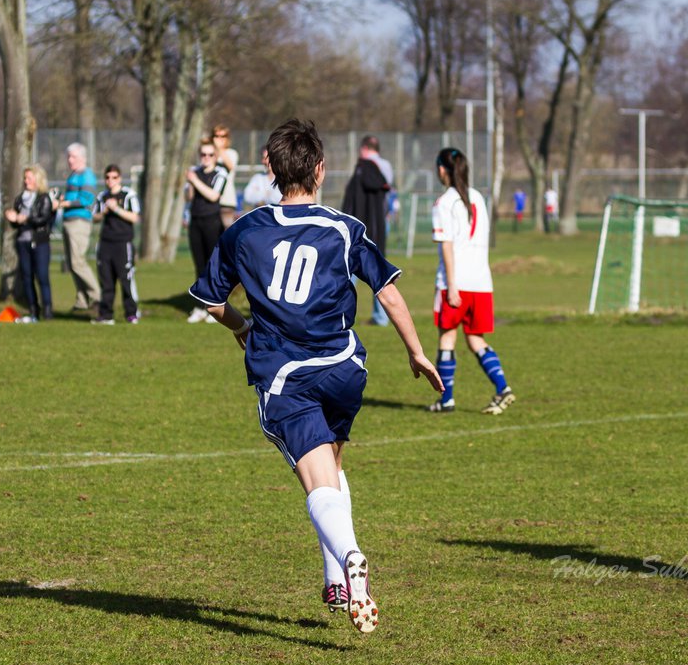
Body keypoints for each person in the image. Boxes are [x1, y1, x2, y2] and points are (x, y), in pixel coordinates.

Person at [189, 119, 443, 634]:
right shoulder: (343, 227)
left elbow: (211, 299)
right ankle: (334, 578)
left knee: (314, 477)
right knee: (330, 461)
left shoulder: (246, 229)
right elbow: (387, 291)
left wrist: (241, 327)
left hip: (287, 377)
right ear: (321, 170)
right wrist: (417, 353)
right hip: (345, 368)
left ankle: (349, 558)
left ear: (268, 167)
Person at [427, 148, 516, 416]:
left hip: (457, 283)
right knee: (475, 338)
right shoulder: (478, 198)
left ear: (443, 170)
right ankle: (503, 388)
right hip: (481, 282)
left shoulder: (444, 203)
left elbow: (447, 247)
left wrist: (451, 285)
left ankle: (447, 399)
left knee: (447, 339)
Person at [341, 136, 391, 327]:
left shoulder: (364, 168)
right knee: (377, 271)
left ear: (365, 148)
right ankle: (381, 316)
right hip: (378, 224)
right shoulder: (384, 168)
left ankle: (342, 313)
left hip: (361, 226)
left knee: (350, 270)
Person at [184, 138, 229, 323]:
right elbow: (188, 197)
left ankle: (216, 305)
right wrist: (190, 183)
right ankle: (200, 306)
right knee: (199, 266)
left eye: (210, 155)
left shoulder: (220, 173)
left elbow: (213, 196)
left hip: (212, 222)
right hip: (196, 221)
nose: (206, 158)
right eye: (203, 154)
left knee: (213, 266)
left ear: (215, 156)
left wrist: (195, 181)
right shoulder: (194, 172)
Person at [91, 164, 141, 325]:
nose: (110, 181)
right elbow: (94, 217)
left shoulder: (128, 195)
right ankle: (106, 314)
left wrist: (117, 209)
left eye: (114, 177)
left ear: (119, 178)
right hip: (106, 243)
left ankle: (131, 313)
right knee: (106, 280)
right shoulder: (102, 196)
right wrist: (105, 211)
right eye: (107, 177)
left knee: (126, 279)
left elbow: (135, 217)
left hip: (123, 243)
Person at [7, 164, 56, 322]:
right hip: (23, 242)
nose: (26, 180)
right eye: (25, 178)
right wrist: (12, 218)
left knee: (42, 276)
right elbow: (16, 223)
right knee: (27, 277)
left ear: (37, 179)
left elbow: (44, 218)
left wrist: (26, 218)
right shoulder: (20, 199)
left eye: (29, 177)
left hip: (40, 241)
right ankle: (33, 310)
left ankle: (47, 310)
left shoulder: (43, 198)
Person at [56, 142, 101, 312]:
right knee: (71, 263)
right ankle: (82, 300)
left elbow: (87, 199)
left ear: (82, 158)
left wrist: (65, 203)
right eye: (68, 156)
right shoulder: (73, 175)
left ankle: (97, 296)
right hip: (68, 221)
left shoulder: (86, 175)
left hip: (79, 223)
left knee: (78, 262)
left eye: (73, 156)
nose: (69, 160)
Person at [212, 124, 239, 230]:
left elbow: (230, 166)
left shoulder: (231, 153)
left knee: (227, 233)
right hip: (210, 202)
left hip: (227, 200)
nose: (219, 139)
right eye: (216, 136)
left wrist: (219, 149)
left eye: (223, 136)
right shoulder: (209, 154)